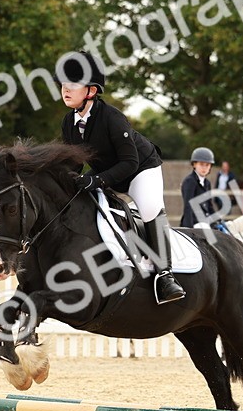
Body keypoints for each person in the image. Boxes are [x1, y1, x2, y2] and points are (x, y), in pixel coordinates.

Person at [58, 51, 186, 304]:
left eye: (72, 85)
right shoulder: (69, 122)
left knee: (149, 208)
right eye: (63, 84)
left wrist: (97, 181)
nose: (65, 90)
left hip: (141, 169)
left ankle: (165, 274)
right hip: (107, 169)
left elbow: (130, 162)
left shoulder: (113, 119)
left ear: (91, 91)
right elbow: (74, 164)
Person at [180, 147, 218, 228]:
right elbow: (188, 206)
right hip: (194, 223)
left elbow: (209, 206)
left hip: (205, 222)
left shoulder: (207, 183)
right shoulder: (190, 181)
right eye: (201, 164)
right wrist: (189, 228)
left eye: (207, 165)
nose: (204, 168)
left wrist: (218, 221)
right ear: (194, 164)